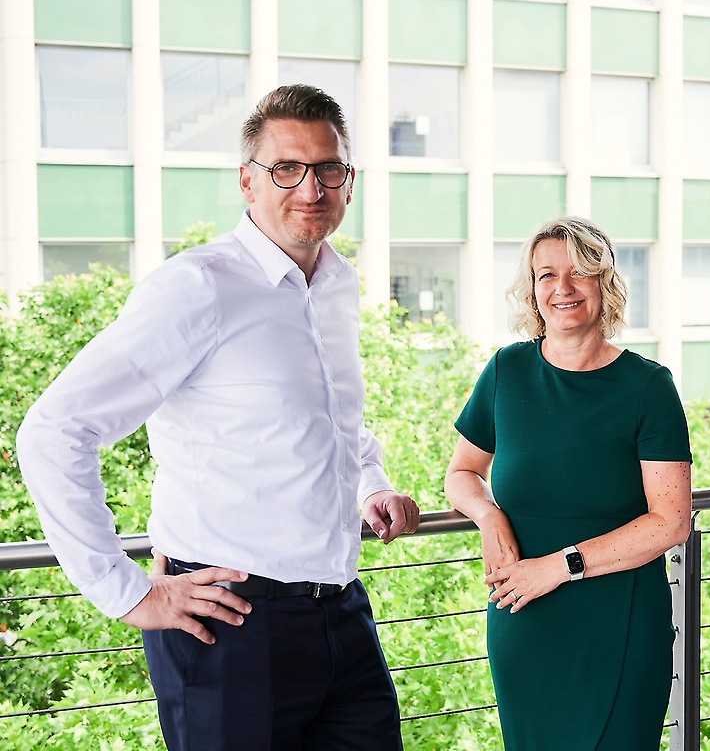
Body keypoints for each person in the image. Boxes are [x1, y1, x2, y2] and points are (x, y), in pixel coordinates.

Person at [16, 84, 419, 750]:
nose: (310, 189)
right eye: (286, 169)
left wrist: (368, 484)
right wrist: (126, 593)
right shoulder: (197, 286)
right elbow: (54, 432)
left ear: (350, 180)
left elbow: (329, 423)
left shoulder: (337, 284)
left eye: (328, 169)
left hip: (343, 612)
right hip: (230, 625)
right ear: (246, 181)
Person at [444, 217, 692, 750]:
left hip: (619, 618)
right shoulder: (506, 371)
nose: (563, 288)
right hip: (524, 619)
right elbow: (462, 473)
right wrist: (488, 516)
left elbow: (670, 521)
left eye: (580, 273)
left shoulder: (649, 386)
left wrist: (558, 568)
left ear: (606, 283)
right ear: (532, 289)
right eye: (546, 274)